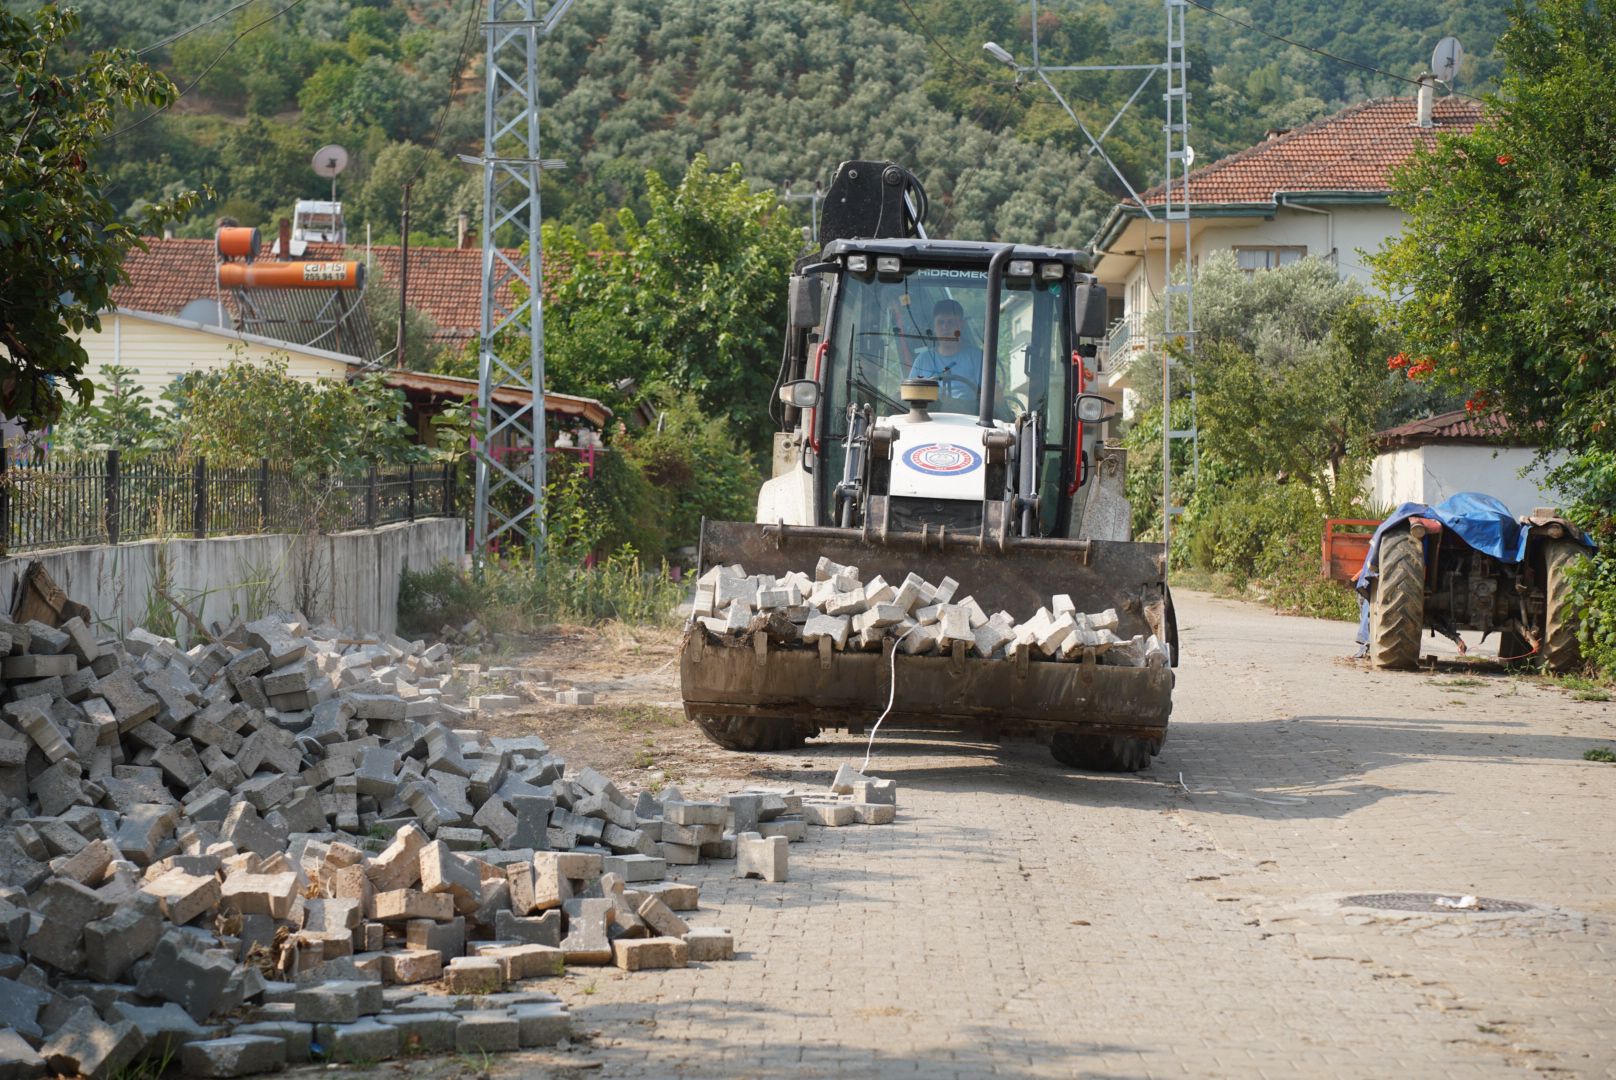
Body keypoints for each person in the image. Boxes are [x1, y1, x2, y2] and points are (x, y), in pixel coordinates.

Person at [908, 298, 983, 408]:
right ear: (934, 327)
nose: (945, 327)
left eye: (950, 322)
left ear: (961, 325)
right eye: (940, 322)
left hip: (967, 417)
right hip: (929, 416)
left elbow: (993, 394)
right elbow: (910, 397)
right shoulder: (923, 360)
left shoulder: (976, 358)